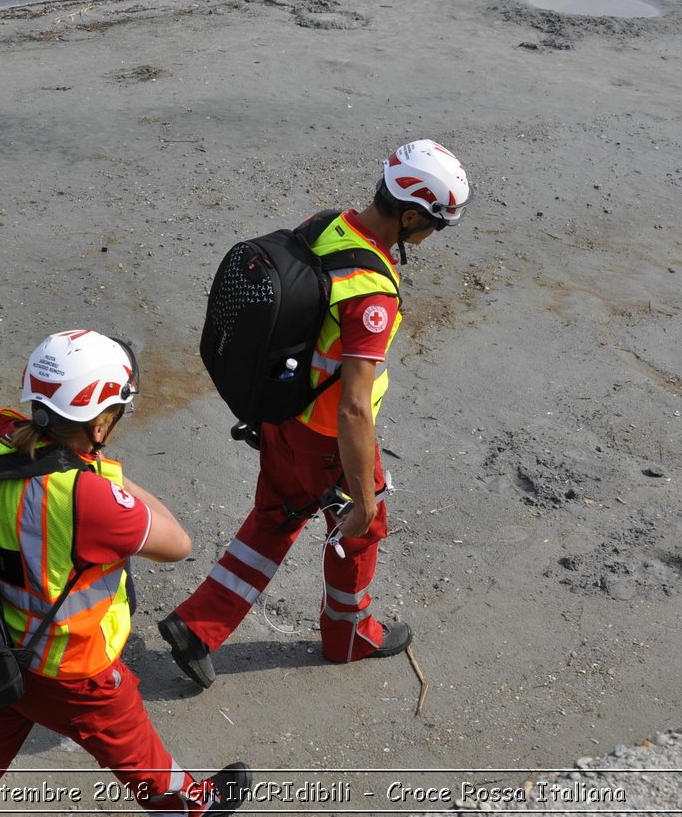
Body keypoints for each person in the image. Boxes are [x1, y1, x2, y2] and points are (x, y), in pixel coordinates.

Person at [159, 140, 472, 686]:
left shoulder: (326, 224)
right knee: (359, 533)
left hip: (283, 417)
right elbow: (354, 407)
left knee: (273, 520)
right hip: (330, 438)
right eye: (432, 227)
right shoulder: (372, 294)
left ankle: (197, 626)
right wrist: (367, 495)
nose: (430, 238)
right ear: (411, 214)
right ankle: (349, 634)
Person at [0, 329, 250, 816]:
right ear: (99, 426)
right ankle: (195, 808)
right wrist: (103, 473)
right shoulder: (87, 498)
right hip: (70, 669)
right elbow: (177, 542)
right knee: (142, 756)